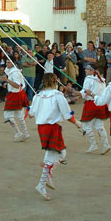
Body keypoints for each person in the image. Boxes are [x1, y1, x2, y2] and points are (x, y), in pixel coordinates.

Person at [29, 73, 81, 201]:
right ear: (55, 82)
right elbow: (67, 115)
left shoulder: (38, 96)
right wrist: (78, 124)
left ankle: (47, 177)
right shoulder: (58, 96)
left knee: (50, 154)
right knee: (61, 153)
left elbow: (30, 114)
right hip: (52, 127)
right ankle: (43, 181)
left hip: (42, 128)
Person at [79, 64, 111, 154]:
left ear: (91, 70)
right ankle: (106, 145)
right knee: (99, 126)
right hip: (101, 104)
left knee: (86, 126)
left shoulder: (88, 79)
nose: (85, 70)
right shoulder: (102, 80)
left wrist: (74, 92)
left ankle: (93, 145)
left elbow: (84, 92)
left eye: (87, 69)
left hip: (91, 104)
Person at [2, 56, 30, 142]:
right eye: (6, 62)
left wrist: (7, 81)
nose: (7, 64)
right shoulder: (13, 71)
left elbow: (17, 85)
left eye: (9, 62)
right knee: (18, 115)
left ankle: (19, 132)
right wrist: (7, 84)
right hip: (17, 94)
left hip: (15, 95)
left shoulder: (15, 73)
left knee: (8, 115)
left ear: (13, 63)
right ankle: (25, 133)